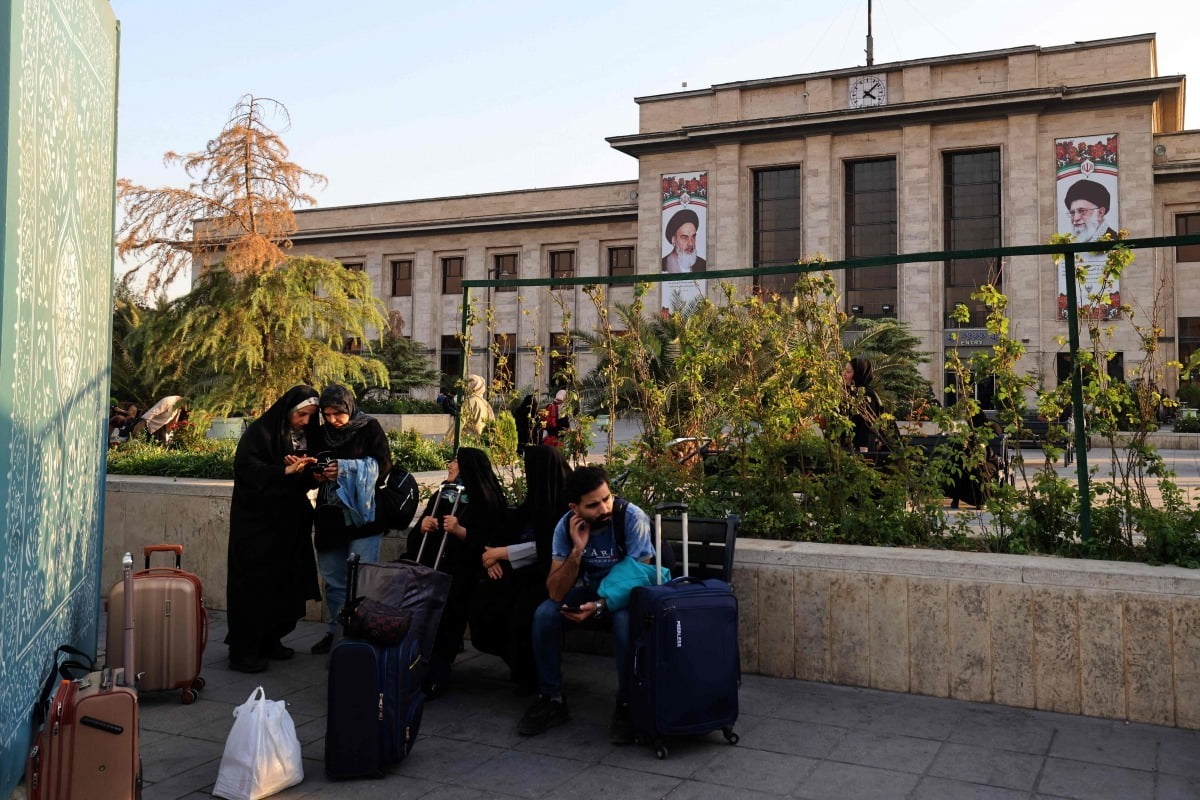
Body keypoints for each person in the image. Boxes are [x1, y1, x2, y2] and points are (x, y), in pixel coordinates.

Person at [517, 465, 655, 744]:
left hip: (629, 596)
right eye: (593, 505)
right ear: (575, 508)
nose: (604, 508)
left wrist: (600, 605)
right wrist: (577, 550)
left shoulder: (632, 518)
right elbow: (556, 592)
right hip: (593, 593)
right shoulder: (565, 527)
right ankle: (552, 699)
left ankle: (627, 703)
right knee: (545, 614)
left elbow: (639, 577)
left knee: (624, 621)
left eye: (607, 498)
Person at [225, 386, 323, 673]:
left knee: (285, 583)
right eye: (301, 414)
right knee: (254, 586)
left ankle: (271, 639)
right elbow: (248, 472)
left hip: (288, 526)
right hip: (257, 527)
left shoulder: (304, 436)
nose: (305, 421)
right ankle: (244, 651)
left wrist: (311, 473)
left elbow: (301, 481)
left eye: (310, 415)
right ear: (288, 411)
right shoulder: (260, 433)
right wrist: (282, 470)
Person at [469, 445, 571, 694]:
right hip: (520, 574)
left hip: (551, 577)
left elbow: (546, 548)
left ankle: (532, 676)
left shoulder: (564, 509)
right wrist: (492, 556)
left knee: (523, 613)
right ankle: (520, 668)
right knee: (483, 600)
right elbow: (504, 532)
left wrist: (501, 554)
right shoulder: (535, 503)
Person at [407, 447, 508, 696]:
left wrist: (461, 531)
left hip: (464, 570)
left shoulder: (484, 498)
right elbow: (416, 538)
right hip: (433, 566)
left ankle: (438, 672)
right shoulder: (443, 494)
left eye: (455, 462)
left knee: (448, 610)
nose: (450, 466)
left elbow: (491, 540)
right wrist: (423, 526)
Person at [309, 385, 392, 655]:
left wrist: (345, 470)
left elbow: (384, 466)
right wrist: (316, 473)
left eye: (338, 413)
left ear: (349, 407)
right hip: (329, 517)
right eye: (327, 414)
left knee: (362, 579)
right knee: (334, 581)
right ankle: (336, 632)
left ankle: (362, 634)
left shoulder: (368, 427)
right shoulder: (320, 433)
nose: (332, 420)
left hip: (362, 517)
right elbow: (311, 463)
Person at [843, 357, 885, 454]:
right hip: (848, 446)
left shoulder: (866, 395)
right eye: (845, 371)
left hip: (861, 449)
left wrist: (864, 450)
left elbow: (867, 424)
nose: (844, 374)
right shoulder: (848, 392)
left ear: (858, 375)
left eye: (848, 372)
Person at [661, 208, 707, 273]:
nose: (690, 243)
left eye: (693, 237)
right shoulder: (662, 266)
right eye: (685, 238)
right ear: (674, 240)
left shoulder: (703, 265)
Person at [459, 374, 495, 440]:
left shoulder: (471, 401)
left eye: (466, 384)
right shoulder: (485, 403)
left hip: (469, 441)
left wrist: (445, 442)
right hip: (482, 441)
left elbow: (459, 424)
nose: (464, 388)